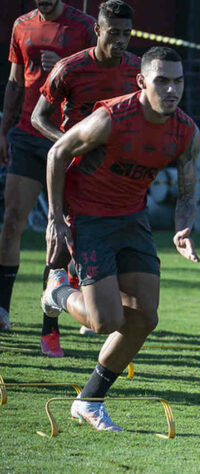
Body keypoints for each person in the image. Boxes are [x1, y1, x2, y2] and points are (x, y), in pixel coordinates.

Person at [41, 46, 200, 431]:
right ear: (142, 81)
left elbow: (186, 193)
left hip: (132, 220)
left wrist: (183, 227)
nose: (172, 90)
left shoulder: (186, 131)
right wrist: (55, 217)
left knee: (144, 317)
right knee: (105, 321)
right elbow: (58, 152)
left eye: (178, 81)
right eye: (162, 81)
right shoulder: (111, 117)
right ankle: (58, 291)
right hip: (90, 217)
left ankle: (90, 400)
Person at [32, 0, 139, 342]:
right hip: (74, 171)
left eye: (126, 33)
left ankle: (95, 309)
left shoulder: (137, 70)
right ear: (97, 30)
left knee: (112, 246)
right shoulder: (70, 68)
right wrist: (73, 145)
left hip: (117, 178)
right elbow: (38, 117)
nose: (120, 40)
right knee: (60, 248)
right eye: (113, 32)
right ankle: (49, 328)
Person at [0, 0, 95, 357]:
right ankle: (3, 309)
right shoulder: (21, 25)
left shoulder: (85, 25)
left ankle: (81, 306)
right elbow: (13, 82)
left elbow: (97, 78)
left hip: (68, 138)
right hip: (26, 136)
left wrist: (66, 70)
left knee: (73, 229)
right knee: (12, 222)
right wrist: (3, 130)